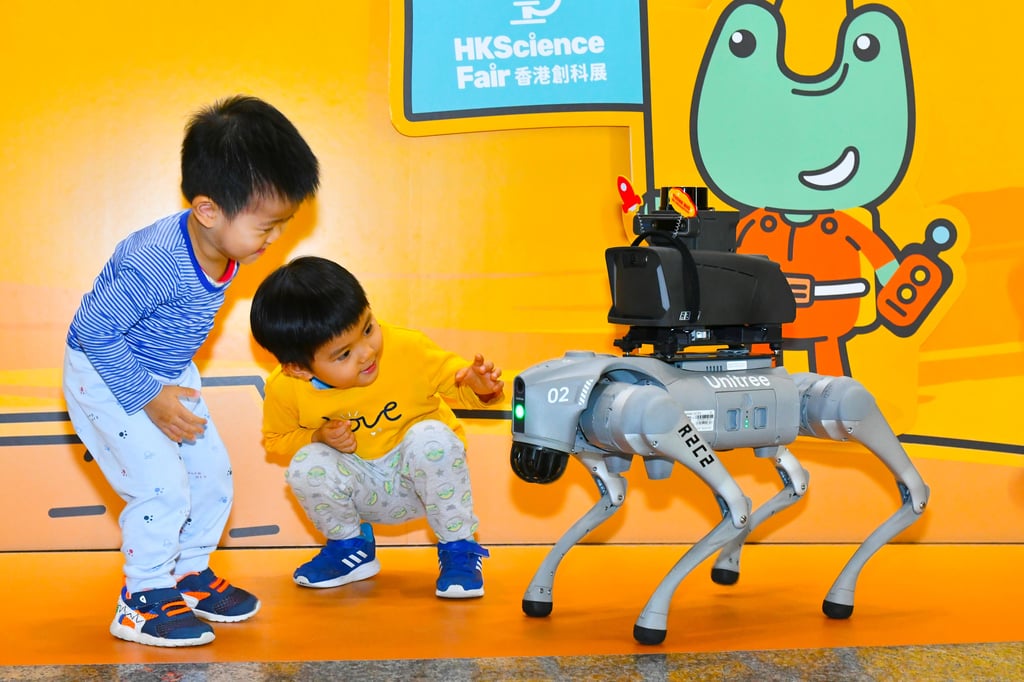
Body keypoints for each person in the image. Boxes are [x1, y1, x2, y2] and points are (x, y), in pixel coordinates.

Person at [62, 95, 320, 647]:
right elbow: (92, 333)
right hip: (106, 374)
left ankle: (186, 573)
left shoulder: (225, 247)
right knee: (161, 487)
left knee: (211, 474)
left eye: (283, 224)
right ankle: (141, 598)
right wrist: (148, 398)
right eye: (267, 226)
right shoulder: (153, 260)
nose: (274, 239)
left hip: (166, 369)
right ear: (208, 210)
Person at [250, 256, 504, 599]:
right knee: (307, 463)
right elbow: (276, 441)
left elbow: (460, 387)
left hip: (423, 483)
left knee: (432, 437)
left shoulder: (408, 348)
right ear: (299, 369)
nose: (367, 353)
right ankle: (350, 550)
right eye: (343, 354)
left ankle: (459, 548)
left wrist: (480, 387)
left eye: (368, 328)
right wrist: (317, 436)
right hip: (360, 488)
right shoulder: (285, 388)